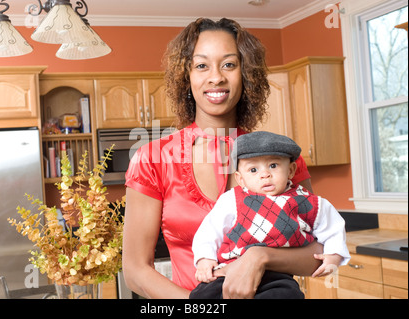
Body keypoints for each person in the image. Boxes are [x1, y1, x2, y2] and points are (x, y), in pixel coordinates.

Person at [122, 17, 324, 299]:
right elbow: (134, 270)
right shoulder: (152, 159)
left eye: (229, 64)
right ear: (187, 76)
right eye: (201, 65)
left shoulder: (281, 158)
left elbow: (317, 253)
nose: (216, 77)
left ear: (246, 74)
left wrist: (259, 257)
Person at [190, 131, 350, 299]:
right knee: (202, 296)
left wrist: (333, 256)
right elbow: (209, 231)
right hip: (228, 271)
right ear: (240, 179)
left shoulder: (310, 202)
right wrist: (204, 259)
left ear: (291, 170)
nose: (264, 174)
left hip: (277, 275)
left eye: (273, 165)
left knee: (288, 295)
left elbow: (334, 229)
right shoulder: (232, 200)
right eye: (253, 169)